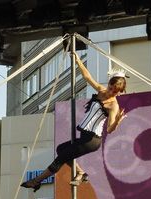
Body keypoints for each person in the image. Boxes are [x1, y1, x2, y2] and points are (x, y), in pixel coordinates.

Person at [21, 52, 127, 191]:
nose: (111, 92)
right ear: (109, 84)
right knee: (61, 149)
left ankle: (37, 180)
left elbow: (109, 129)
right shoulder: (101, 90)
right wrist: (77, 60)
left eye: (115, 92)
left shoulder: (114, 106)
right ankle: (81, 173)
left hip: (92, 140)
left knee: (61, 158)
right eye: (111, 88)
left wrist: (117, 121)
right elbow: (87, 77)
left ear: (119, 93)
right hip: (84, 136)